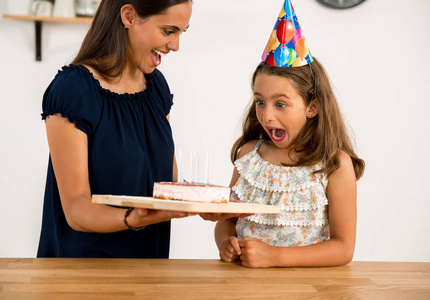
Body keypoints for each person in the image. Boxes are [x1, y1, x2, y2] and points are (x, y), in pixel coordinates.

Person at [37, 0, 195, 258]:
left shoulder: (156, 88)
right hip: (81, 276)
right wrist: (134, 218)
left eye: (181, 32)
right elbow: (76, 209)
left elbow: (166, 186)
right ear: (129, 16)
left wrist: (208, 204)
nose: (175, 45)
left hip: (147, 271)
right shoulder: (74, 89)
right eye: (168, 31)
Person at [215, 0, 365, 268]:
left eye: (280, 104)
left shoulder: (334, 165)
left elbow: (343, 248)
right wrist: (226, 242)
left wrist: (275, 257)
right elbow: (227, 219)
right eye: (260, 101)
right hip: (244, 286)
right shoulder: (249, 156)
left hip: (307, 289)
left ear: (312, 107)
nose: (267, 115)